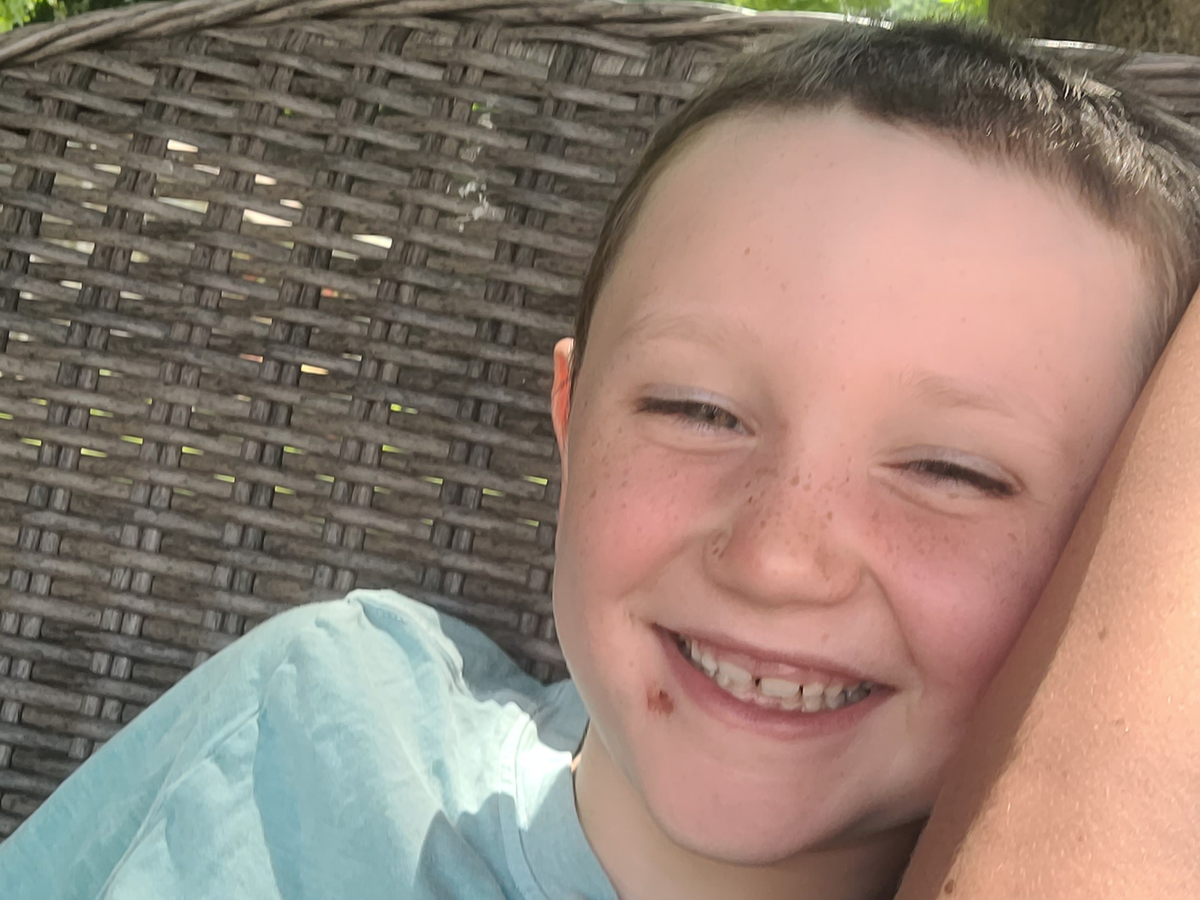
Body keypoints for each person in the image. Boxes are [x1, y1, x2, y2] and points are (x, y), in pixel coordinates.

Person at [1, 20, 1198, 900]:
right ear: (571, 422)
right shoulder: (318, 718)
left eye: (953, 473)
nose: (778, 558)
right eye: (696, 410)